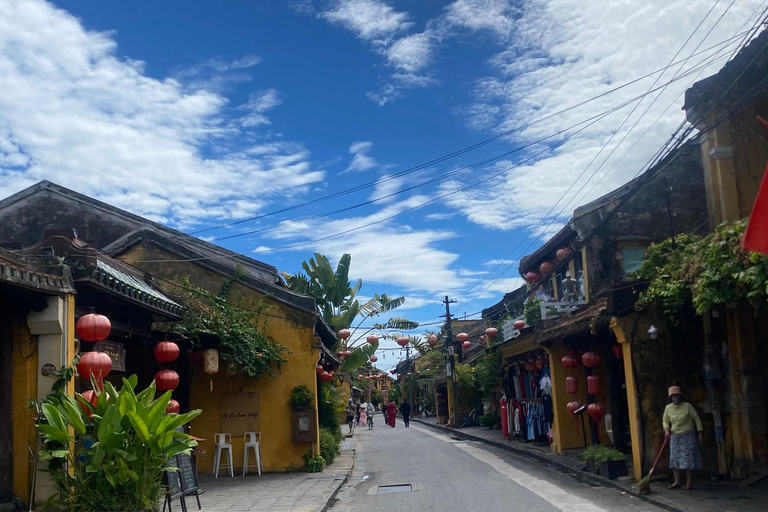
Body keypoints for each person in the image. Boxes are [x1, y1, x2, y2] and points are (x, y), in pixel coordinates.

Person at [663, 386, 704, 490]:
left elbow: (697, 418)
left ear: (681, 397)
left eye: (677, 396)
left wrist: (700, 433)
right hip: (675, 436)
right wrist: (667, 430)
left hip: (687, 435)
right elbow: (665, 420)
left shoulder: (687, 406)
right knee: (674, 459)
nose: (675, 398)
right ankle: (677, 481)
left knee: (687, 459)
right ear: (670, 398)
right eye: (673, 397)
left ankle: (689, 482)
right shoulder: (668, 408)